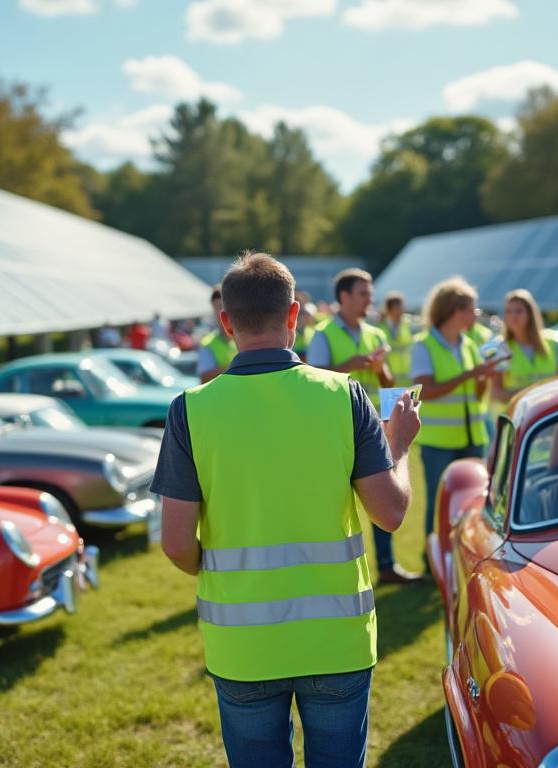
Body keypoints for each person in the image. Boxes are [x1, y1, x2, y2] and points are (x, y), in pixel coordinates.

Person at [153, 253, 420, 768]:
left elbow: (176, 544)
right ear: (294, 314)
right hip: (336, 640)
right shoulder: (344, 395)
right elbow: (390, 513)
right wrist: (400, 446)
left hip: (242, 646)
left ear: (226, 322)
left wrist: (219, 573)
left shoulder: (190, 409)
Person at [308, 269, 413, 584]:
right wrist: (349, 365)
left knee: (383, 500)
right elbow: (314, 379)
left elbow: (388, 382)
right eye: (364, 293)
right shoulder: (323, 334)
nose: (371, 299)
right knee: (333, 504)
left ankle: (386, 566)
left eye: (370, 293)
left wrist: (381, 371)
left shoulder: (376, 335)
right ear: (344, 297)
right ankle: (327, 570)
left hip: (374, 430)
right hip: (336, 430)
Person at [411, 277, 500, 559]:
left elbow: (475, 392)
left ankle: (465, 558)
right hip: (439, 442)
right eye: (472, 309)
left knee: (475, 503)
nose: (476, 314)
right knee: (439, 505)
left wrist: (484, 377)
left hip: (473, 436)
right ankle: (433, 561)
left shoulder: (470, 344)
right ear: (454, 310)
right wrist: (470, 375)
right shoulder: (423, 345)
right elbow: (426, 390)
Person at [490, 289, 558, 419]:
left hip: (549, 416)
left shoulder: (554, 343)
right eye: (509, 311)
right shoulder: (500, 347)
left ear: (530, 314)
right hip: (516, 420)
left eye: (519, 311)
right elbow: (495, 392)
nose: (513, 316)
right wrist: (525, 399)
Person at [198, 284, 237, 383]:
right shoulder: (207, 343)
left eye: (222, 306)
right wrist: (235, 366)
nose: (220, 312)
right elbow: (204, 379)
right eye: (216, 307)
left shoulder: (243, 338)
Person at [379, 292, 416, 386]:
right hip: (388, 381)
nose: (401, 309)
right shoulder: (381, 328)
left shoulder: (410, 325)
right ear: (389, 309)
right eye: (397, 306)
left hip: (408, 381)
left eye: (401, 306)